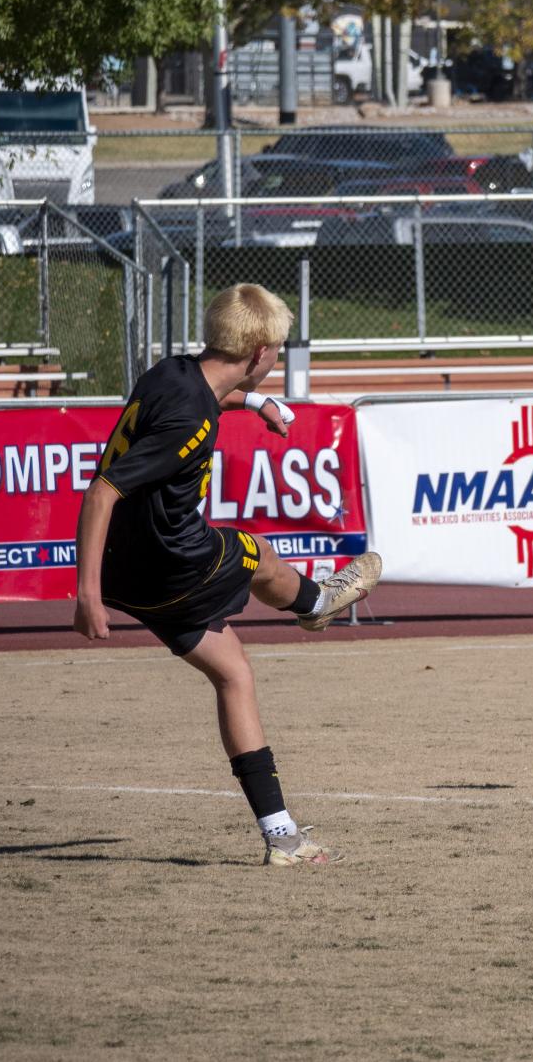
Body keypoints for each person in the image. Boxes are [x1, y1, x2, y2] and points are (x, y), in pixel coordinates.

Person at [72, 284, 382, 866]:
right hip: (171, 564)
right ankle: (316, 603)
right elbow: (102, 490)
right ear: (260, 352)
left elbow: (210, 397)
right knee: (254, 551)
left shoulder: (173, 373)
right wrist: (85, 595)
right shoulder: (191, 418)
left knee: (235, 675)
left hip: (129, 574)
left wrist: (258, 405)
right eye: (278, 352)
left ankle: (282, 838)